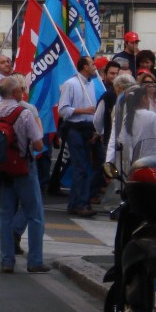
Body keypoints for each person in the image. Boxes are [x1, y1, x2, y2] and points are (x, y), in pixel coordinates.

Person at [0, 76, 49, 274]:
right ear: (15, 92)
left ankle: (7, 260)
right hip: (23, 167)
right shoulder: (24, 113)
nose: (23, 91)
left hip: (1, 169)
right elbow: (38, 144)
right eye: (20, 88)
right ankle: (35, 261)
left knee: (5, 215)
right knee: (34, 214)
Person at [57, 55, 99, 217]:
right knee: (80, 167)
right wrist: (83, 110)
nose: (95, 67)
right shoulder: (71, 84)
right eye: (92, 64)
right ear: (85, 67)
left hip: (87, 128)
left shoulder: (92, 84)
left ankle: (78, 202)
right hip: (74, 128)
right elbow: (63, 110)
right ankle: (80, 203)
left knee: (86, 167)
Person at [106, 83, 156, 176]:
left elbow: (121, 141)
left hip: (131, 167)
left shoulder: (125, 117)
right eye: (148, 98)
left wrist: (111, 163)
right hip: (150, 164)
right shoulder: (152, 116)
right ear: (143, 98)